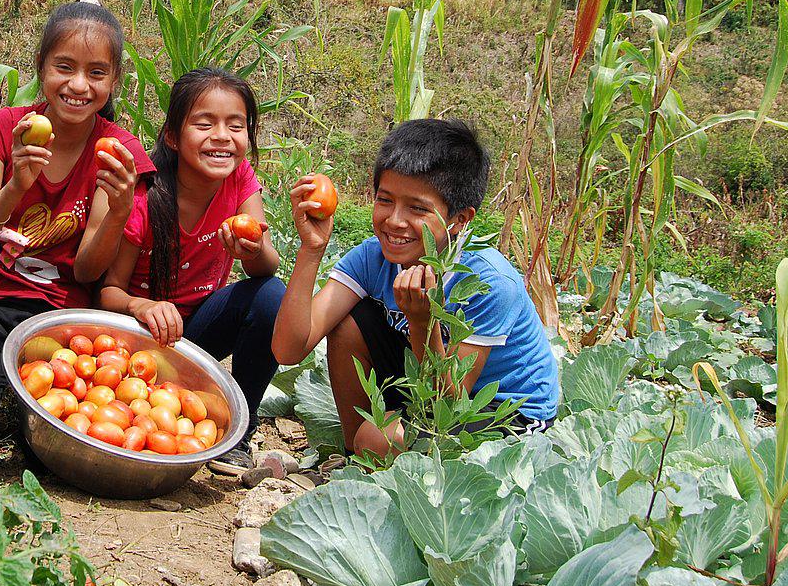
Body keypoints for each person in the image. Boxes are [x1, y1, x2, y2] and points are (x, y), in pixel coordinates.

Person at [0, 0, 155, 443]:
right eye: (64, 67)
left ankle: (25, 414)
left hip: (69, 321)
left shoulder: (118, 152)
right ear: (41, 68)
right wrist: (16, 186)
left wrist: (121, 211)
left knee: (66, 440)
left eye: (96, 73)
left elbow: (88, 271)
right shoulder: (1, 129)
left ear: (114, 81)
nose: (77, 85)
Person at [272, 118, 559, 457]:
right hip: (428, 382)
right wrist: (311, 250)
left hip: (504, 412)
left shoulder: (488, 283)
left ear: (459, 219)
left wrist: (424, 323)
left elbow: (449, 403)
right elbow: (288, 351)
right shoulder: (373, 257)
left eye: (418, 208)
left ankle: (376, 449)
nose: (394, 220)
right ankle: (354, 453)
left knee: (380, 440)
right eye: (385, 200)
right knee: (350, 323)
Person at [99, 67, 284, 474]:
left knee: (272, 295)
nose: (222, 136)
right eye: (205, 124)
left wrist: (251, 250)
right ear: (172, 136)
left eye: (236, 125)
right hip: (139, 339)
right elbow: (108, 291)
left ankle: (240, 429)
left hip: (196, 335)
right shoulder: (146, 199)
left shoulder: (240, 180)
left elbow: (266, 265)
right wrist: (142, 305)